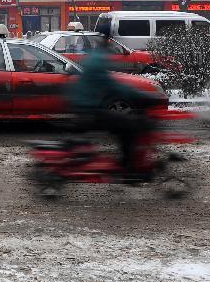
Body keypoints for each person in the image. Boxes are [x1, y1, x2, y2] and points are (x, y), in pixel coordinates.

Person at [66, 29, 159, 180]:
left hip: (84, 108)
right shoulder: (98, 61)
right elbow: (112, 86)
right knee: (128, 126)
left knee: (124, 122)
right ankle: (128, 167)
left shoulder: (95, 58)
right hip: (88, 111)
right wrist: (140, 96)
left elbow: (109, 85)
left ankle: (126, 163)